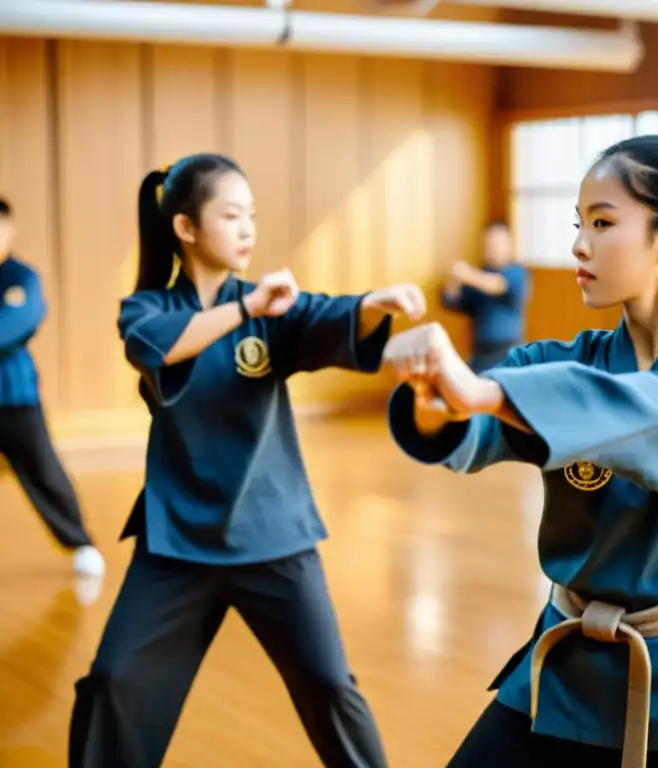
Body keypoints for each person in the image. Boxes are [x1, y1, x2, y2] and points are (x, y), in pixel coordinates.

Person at [383, 135, 658, 767]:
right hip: (571, 667)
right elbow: (473, 430)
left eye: (602, 223)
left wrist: (484, 391)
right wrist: (436, 400)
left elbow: (642, 412)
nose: (579, 244)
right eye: (579, 224)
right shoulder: (558, 363)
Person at [67, 153, 426, 767]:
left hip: (273, 538)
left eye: (251, 216)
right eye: (231, 215)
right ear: (186, 227)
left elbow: (324, 317)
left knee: (330, 687)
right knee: (113, 680)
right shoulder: (149, 311)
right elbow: (156, 348)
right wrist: (246, 309)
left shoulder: (271, 309)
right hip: (176, 543)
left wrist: (374, 303)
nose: (247, 229)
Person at [0, 196, 105, 578]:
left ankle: (81, 542)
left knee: (43, 470)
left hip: (14, 398)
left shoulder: (21, 278)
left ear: (9, 229)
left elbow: (13, 326)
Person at [441, 220, 530, 372]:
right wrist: (454, 278)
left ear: (509, 245)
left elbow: (497, 285)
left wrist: (466, 274)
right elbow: (451, 301)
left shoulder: (517, 272)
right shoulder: (479, 275)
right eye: (489, 243)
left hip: (508, 352)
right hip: (480, 355)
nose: (493, 247)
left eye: (498, 242)